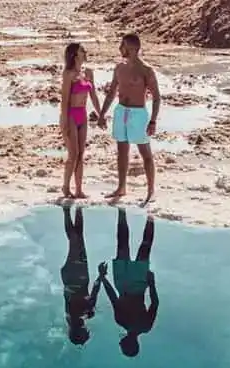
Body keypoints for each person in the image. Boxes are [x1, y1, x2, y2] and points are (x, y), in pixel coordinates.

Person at [98, 33, 161, 204]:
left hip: (138, 114)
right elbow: (111, 92)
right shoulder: (119, 67)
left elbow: (156, 97)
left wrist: (153, 120)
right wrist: (102, 114)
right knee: (122, 151)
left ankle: (151, 191)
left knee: (145, 152)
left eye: (123, 45)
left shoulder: (146, 70)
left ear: (133, 48)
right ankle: (121, 187)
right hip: (121, 111)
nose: (120, 48)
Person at [98, 209, 159, 357]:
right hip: (123, 284)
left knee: (145, 247)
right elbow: (113, 298)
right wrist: (103, 278)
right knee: (122, 245)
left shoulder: (146, 327)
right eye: (122, 345)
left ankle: (151, 216)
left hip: (138, 286)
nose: (119, 343)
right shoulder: (121, 321)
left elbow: (155, 303)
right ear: (127, 343)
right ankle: (122, 211)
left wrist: (151, 284)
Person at [59, 43, 103, 199]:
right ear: (75, 55)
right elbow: (65, 100)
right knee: (73, 153)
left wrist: (101, 115)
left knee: (81, 154)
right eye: (82, 50)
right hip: (71, 114)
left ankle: (79, 190)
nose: (85, 52)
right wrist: (64, 121)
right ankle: (66, 186)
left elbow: (94, 96)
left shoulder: (88, 73)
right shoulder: (68, 74)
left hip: (83, 115)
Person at [61, 206, 101, 345]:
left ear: (80, 332)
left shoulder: (79, 315)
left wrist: (101, 276)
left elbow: (93, 294)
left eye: (86, 333)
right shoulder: (70, 318)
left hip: (76, 276)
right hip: (71, 277)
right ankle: (77, 210)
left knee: (75, 241)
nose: (88, 331)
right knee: (78, 240)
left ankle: (67, 210)